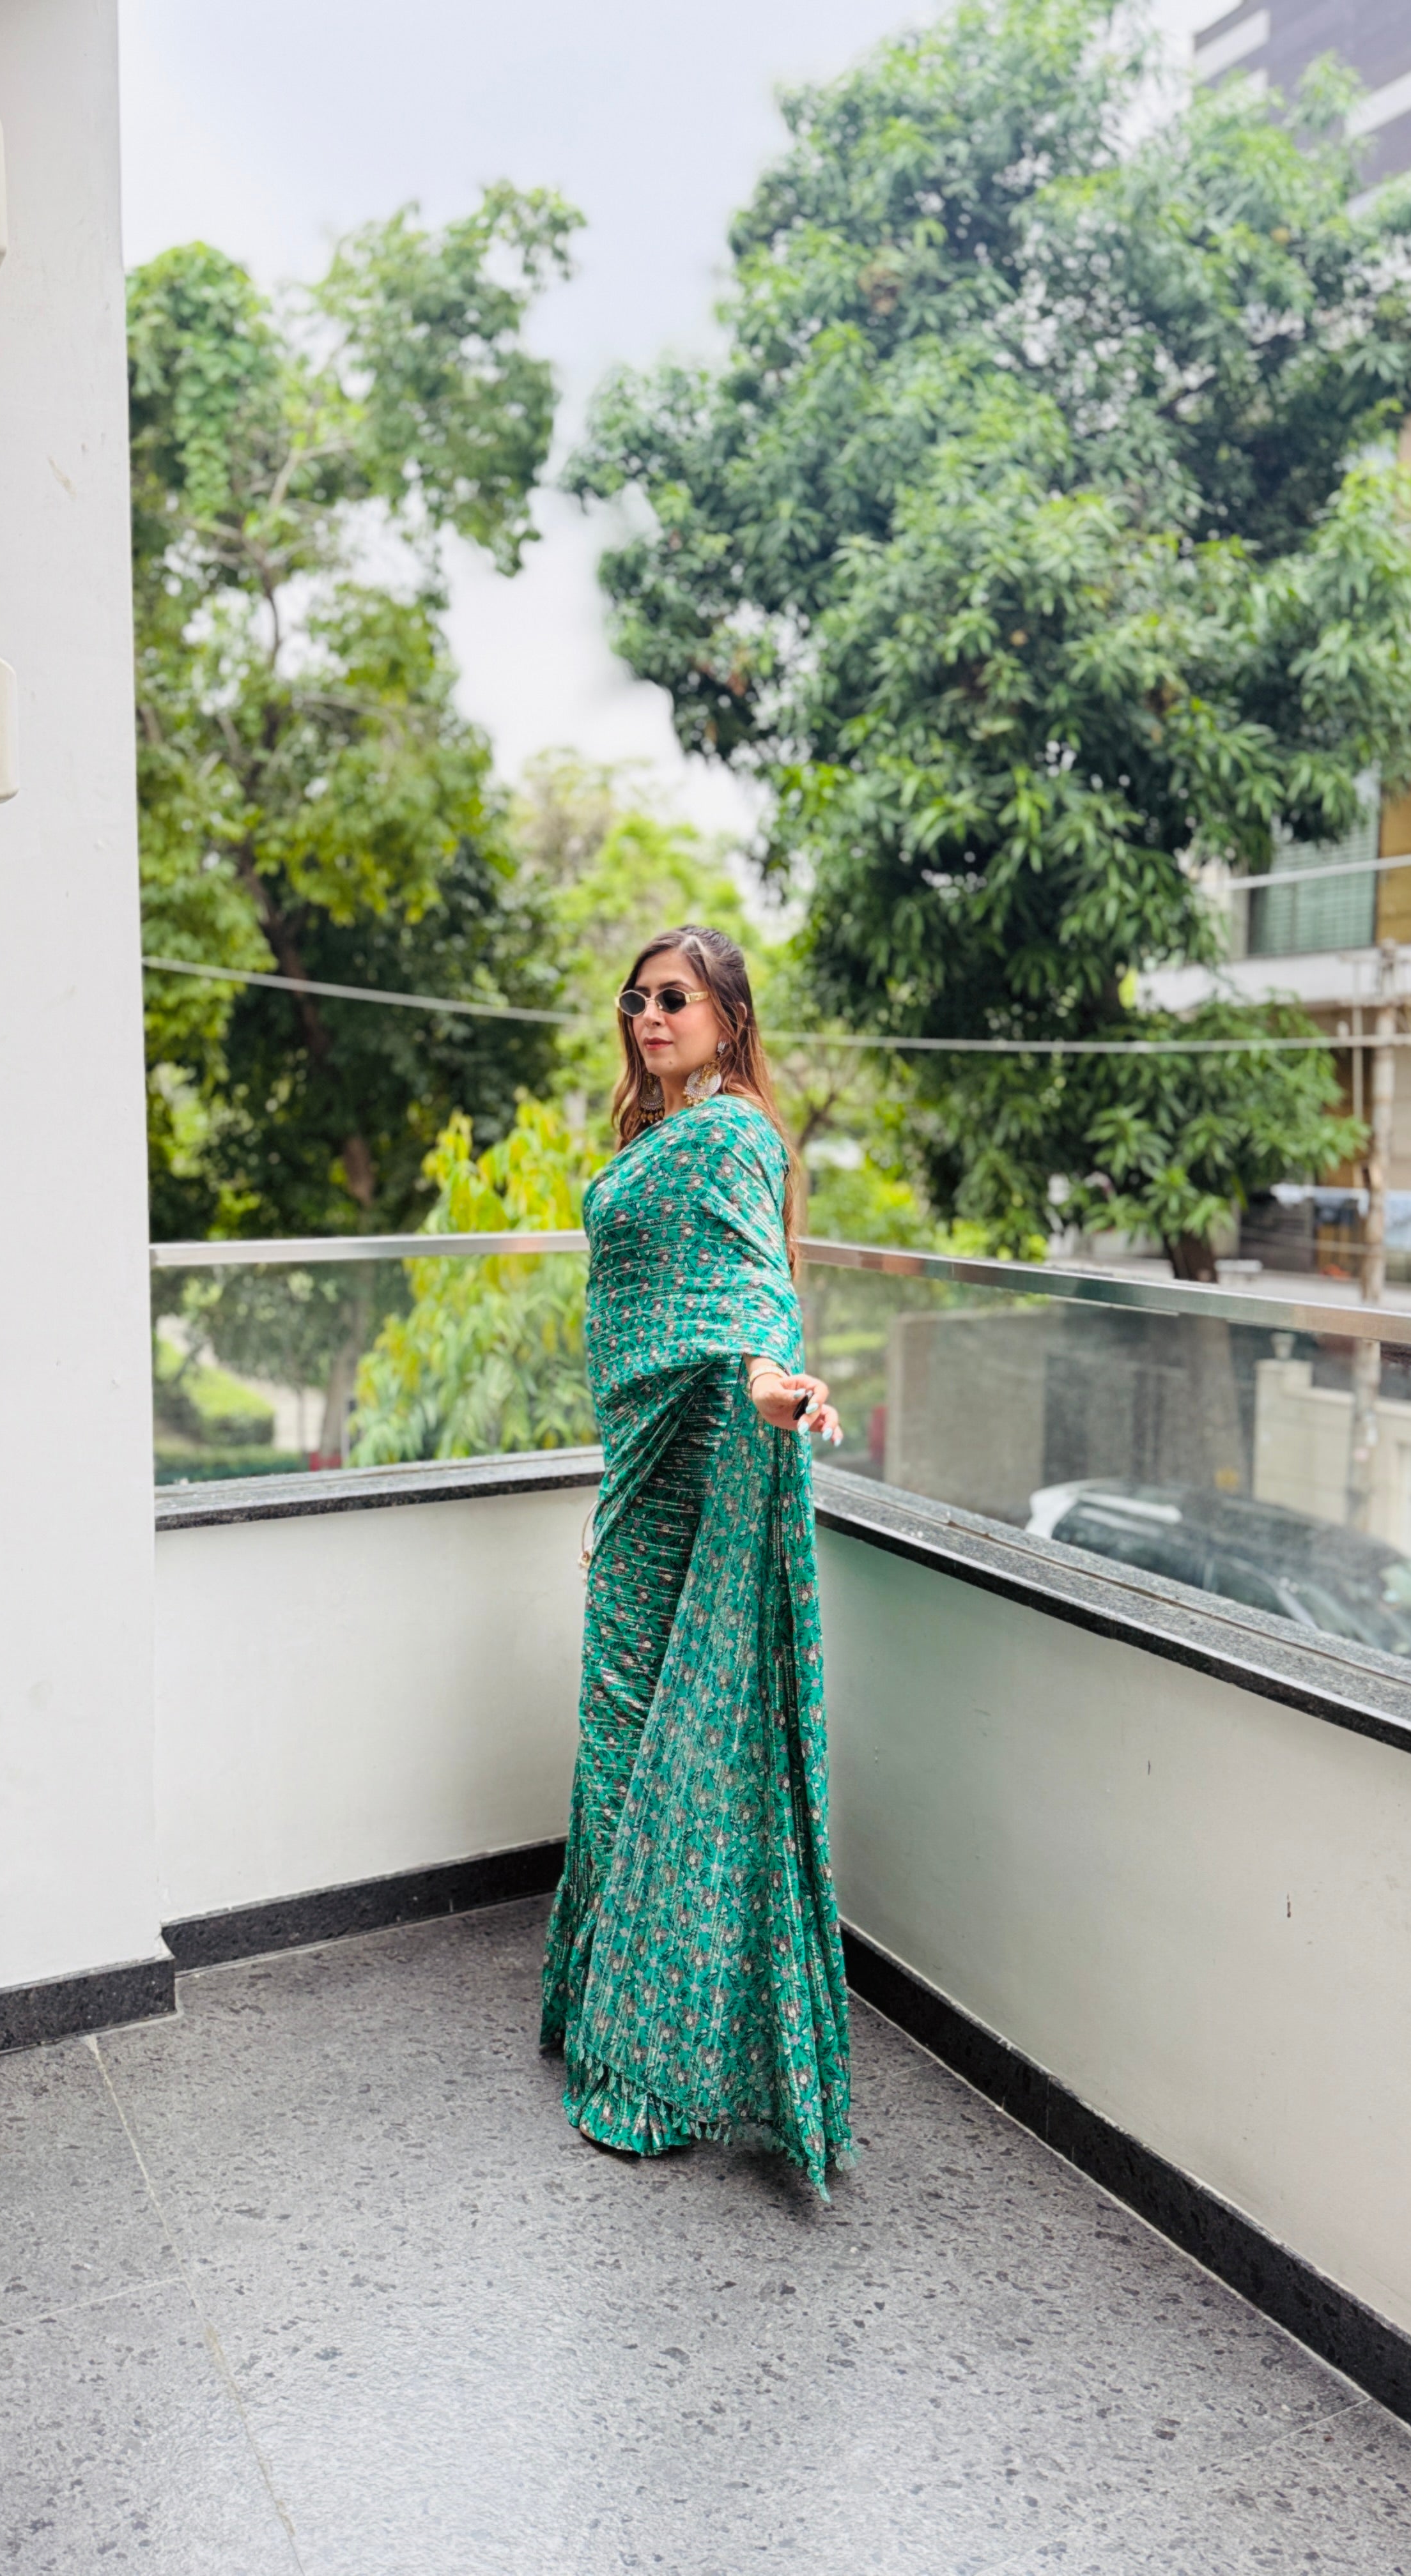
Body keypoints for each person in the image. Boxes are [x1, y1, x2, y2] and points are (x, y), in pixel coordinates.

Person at [540, 925, 855, 2195]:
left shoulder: (732, 1136)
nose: (650, 1015)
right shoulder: (653, 1133)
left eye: (674, 997)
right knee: (618, 1739)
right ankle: (603, 2005)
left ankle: (660, 2062)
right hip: (644, 1459)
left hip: (715, 1450)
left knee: (687, 1749)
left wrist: (774, 1387)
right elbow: (649, 1301)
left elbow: (752, 1293)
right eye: (638, 998)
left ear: (728, 1013)